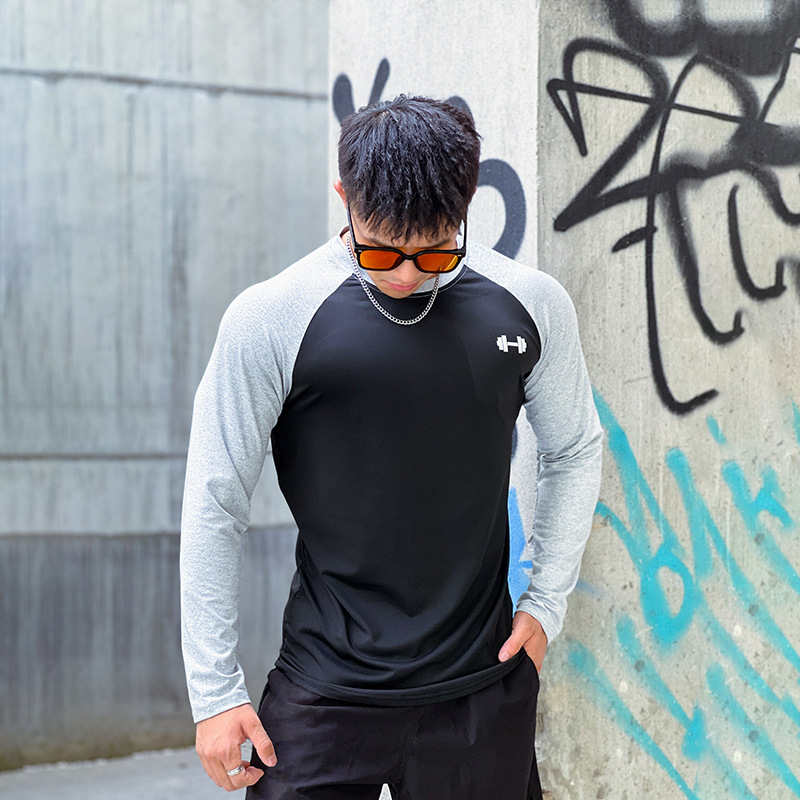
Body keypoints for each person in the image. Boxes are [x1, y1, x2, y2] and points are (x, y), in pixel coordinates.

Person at [180, 95, 602, 800]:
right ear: (343, 196)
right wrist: (214, 692)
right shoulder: (272, 317)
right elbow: (215, 498)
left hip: (481, 687)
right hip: (325, 689)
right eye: (380, 249)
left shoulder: (529, 303)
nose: (406, 274)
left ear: (466, 205)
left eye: (434, 250)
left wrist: (546, 601)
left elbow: (574, 449)